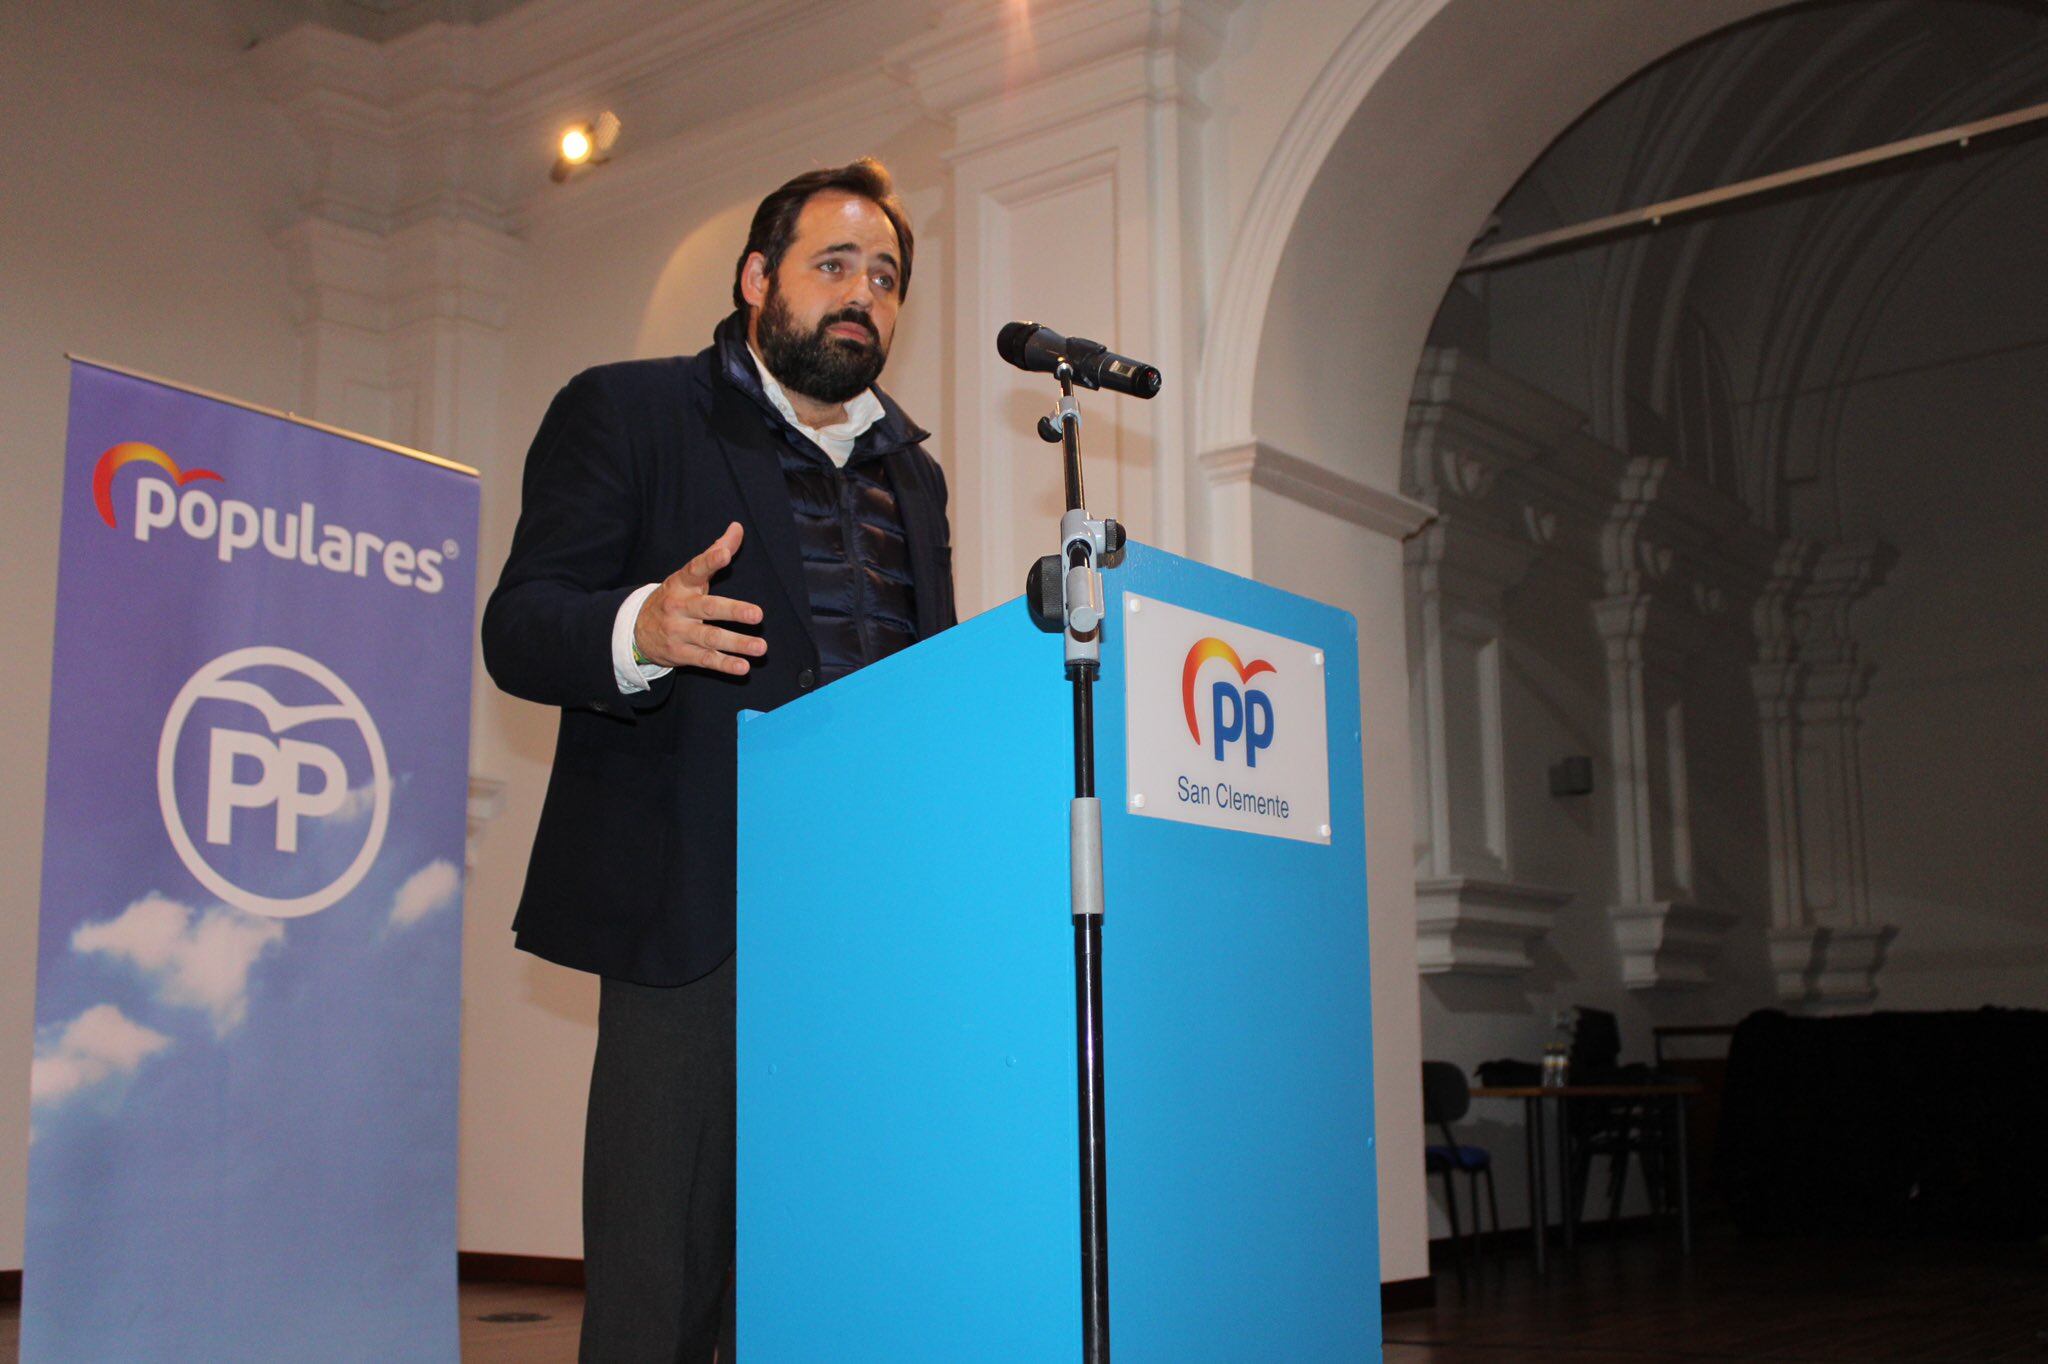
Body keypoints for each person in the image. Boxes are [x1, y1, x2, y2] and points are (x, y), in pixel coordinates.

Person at [481, 158, 955, 1363]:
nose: (863, 296)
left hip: (866, 923)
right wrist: (637, 626)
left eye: (886, 278)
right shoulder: (632, 410)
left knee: (827, 1260)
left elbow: (920, 683)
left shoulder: (915, 475)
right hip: (696, 901)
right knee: (662, 1279)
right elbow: (520, 623)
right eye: (833, 265)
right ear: (757, 279)